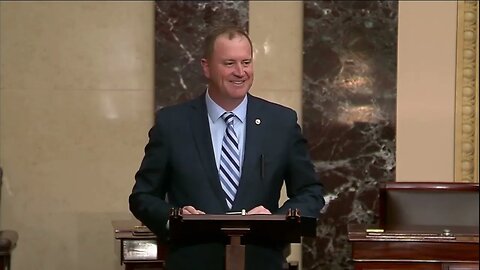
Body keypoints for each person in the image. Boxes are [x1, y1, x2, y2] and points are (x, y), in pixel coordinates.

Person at [129, 25, 325, 270]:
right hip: (192, 262)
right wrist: (175, 217)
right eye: (229, 63)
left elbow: (310, 192)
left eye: (246, 62)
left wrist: (276, 220)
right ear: (206, 67)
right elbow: (142, 196)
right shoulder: (173, 123)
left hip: (261, 261)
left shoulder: (281, 122)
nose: (240, 72)